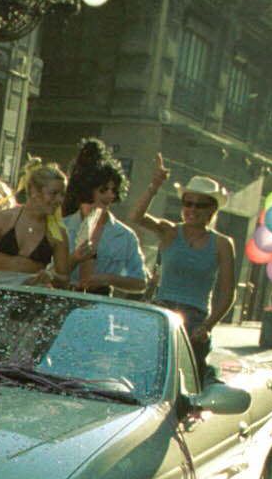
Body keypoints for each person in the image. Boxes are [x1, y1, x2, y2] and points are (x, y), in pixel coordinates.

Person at [122, 156, 235, 376]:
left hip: (195, 319)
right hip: (162, 311)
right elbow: (136, 216)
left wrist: (207, 326)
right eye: (187, 203)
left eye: (200, 205)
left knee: (190, 378)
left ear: (212, 210)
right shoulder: (170, 231)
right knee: (145, 372)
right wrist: (154, 187)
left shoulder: (222, 244)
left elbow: (227, 292)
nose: (192, 209)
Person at [0, 158, 81, 285]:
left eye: (62, 194)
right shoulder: (4, 219)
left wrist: (50, 277)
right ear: (34, 191)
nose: (59, 200)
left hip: (30, 298)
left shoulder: (57, 232)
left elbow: (64, 279)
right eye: (53, 193)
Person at [62, 138, 147, 296]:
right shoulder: (62, 227)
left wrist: (108, 279)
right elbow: (47, 273)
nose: (110, 195)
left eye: (114, 190)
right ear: (87, 188)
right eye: (103, 189)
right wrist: (74, 259)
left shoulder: (125, 236)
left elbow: (141, 282)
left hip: (103, 305)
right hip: (65, 300)